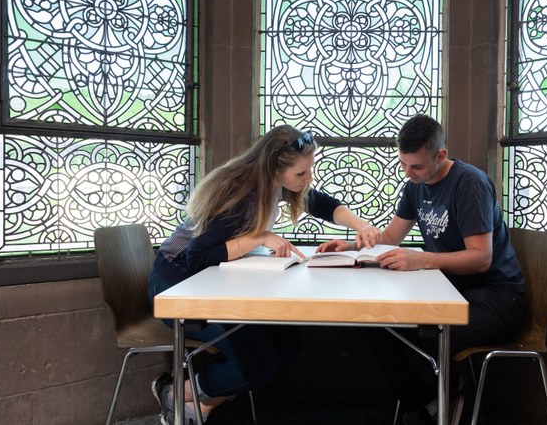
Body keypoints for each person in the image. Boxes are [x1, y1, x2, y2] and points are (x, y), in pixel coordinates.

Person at [148, 125, 382, 424]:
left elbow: (321, 203)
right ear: (275, 168)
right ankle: (173, 394)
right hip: (176, 288)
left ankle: (198, 405)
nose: (308, 179)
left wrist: (362, 226)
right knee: (256, 364)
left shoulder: (275, 182)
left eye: (309, 170)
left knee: (288, 343)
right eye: (301, 174)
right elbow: (197, 258)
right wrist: (259, 238)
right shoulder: (238, 195)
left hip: (213, 285)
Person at [318, 114, 526, 424]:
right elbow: (390, 239)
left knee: (426, 334)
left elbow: (480, 258)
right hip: (451, 290)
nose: (409, 172)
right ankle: (431, 402)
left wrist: (423, 258)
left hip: (498, 297)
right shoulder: (415, 186)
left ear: (441, 155)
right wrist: (351, 245)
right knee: (377, 327)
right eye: (403, 164)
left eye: (417, 166)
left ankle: (444, 399)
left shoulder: (469, 184)